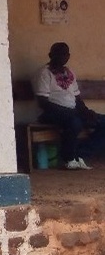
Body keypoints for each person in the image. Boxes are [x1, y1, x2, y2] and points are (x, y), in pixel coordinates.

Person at [33, 42, 105, 170]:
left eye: (65, 54)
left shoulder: (69, 72)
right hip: (52, 113)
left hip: (73, 112)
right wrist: (69, 112)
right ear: (50, 55)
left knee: (102, 121)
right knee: (75, 122)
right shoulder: (44, 73)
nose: (62, 56)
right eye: (58, 53)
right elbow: (43, 102)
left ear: (68, 56)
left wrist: (86, 111)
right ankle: (69, 159)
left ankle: (81, 154)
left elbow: (77, 98)